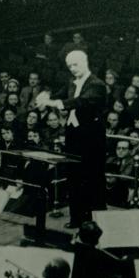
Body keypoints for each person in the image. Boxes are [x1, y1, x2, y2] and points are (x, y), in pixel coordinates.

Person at [36, 50, 107, 227]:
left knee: (91, 179)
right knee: (74, 178)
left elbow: (81, 101)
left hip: (91, 141)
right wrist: (47, 96)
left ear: (85, 61)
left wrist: (54, 103)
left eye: (75, 64)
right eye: (69, 66)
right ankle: (76, 218)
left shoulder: (97, 85)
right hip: (73, 136)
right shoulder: (71, 82)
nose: (73, 69)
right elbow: (60, 94)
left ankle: (93, 221)